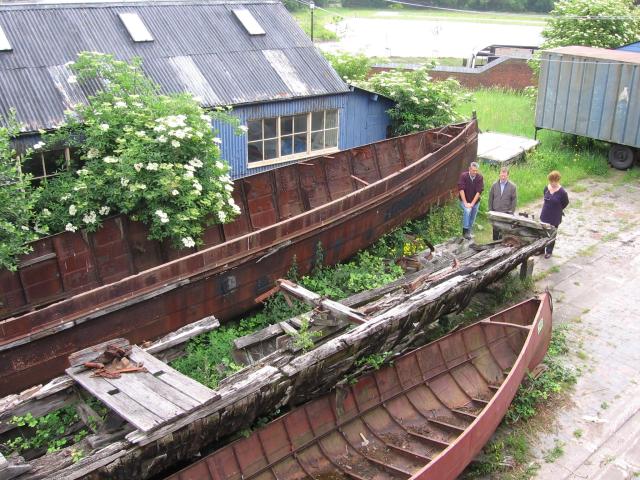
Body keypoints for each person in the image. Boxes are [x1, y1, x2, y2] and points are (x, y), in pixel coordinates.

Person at [540, 170, 569, 259]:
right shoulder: (546, 188)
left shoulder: (562, 192)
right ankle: (540, 249)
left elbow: (565, 203)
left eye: (554, 181)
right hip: (545, 215)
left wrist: (558, 209)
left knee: (552, 234)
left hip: (555, 217)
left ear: (558, 180)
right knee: (542, 233)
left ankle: (549, 251)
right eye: (551, 181)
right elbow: (545, 198)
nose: (552, 183)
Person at [488, 167, 517, 240]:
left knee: (503, 231)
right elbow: (490, 198)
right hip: (495, 211)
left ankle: (501, 244)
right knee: (495, 230)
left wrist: (511, 212)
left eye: (505, 175)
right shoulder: (494, 185)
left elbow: (514, 200)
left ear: (508, 175)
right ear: (499, 175)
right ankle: (494, 243)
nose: (503, 177)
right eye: (502, 175)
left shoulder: (512, 187)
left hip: (505, 212)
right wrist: (490, 210)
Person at [458, 161, 484, 240]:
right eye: (473, 170)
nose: (475, 172)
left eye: (476, 171)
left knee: (473, 216)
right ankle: (465, 231)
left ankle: (469, 231)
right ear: (469, 169)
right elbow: (461, 190)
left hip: (475, 202)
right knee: (467, 210)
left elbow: (478, 192)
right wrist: (465, 203)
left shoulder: (480, 178)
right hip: (464, 200)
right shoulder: (464, 176)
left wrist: (472, 204)